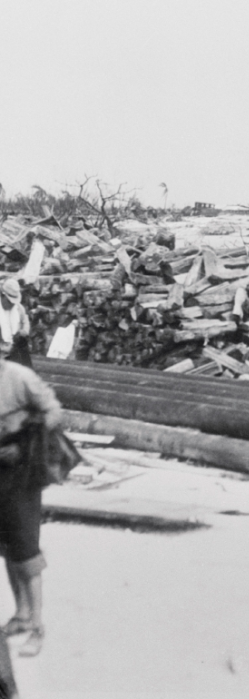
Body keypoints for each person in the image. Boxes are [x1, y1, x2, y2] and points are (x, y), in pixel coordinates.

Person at [0, 351, 63, 659]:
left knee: (25, 548)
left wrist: (22, 445)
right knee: (7, 547)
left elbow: (53, 412)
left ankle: (38, 626)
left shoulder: (20, 377)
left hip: (22, 471)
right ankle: (22, 614)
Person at [0, 279, 31, 368]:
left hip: (13, 351)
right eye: (9, 301)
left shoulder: (18, 308)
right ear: (3, 296)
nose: (12, 304)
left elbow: (25, 321)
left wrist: (24, 331)